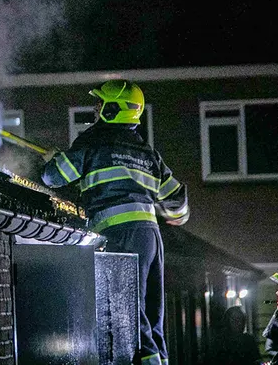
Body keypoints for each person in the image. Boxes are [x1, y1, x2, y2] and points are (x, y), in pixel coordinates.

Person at [41, 80, 189, 365]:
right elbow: (179, 203)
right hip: (151, 238)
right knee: (151, 312)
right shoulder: (148, 153)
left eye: (100, 103)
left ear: (112, 109)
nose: (95, 109)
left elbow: (53, 177)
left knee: (128, 311)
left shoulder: (93, 140)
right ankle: (161, 360)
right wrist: (173, 217)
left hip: (118, 234)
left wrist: (55, 159)